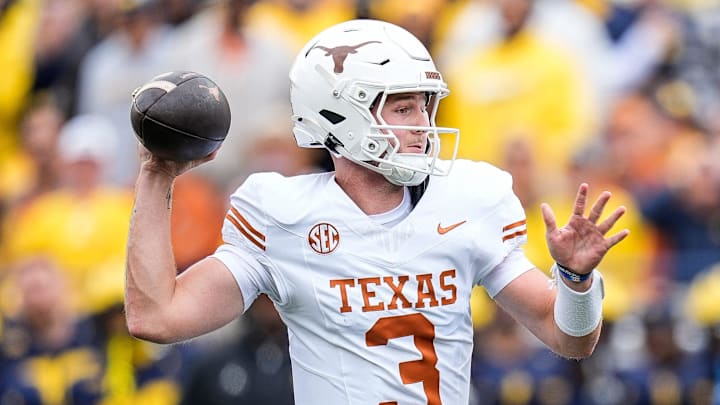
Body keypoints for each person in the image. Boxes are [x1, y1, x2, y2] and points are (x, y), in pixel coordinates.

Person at [125, 19, 630, 404]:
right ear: (340, 112)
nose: (423, 125)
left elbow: (569, 336)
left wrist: (574, 280)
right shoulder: (281, 213)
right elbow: (158, 316)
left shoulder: (469, 199)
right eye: (404, 108)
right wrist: (156, 175)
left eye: (426, 107)